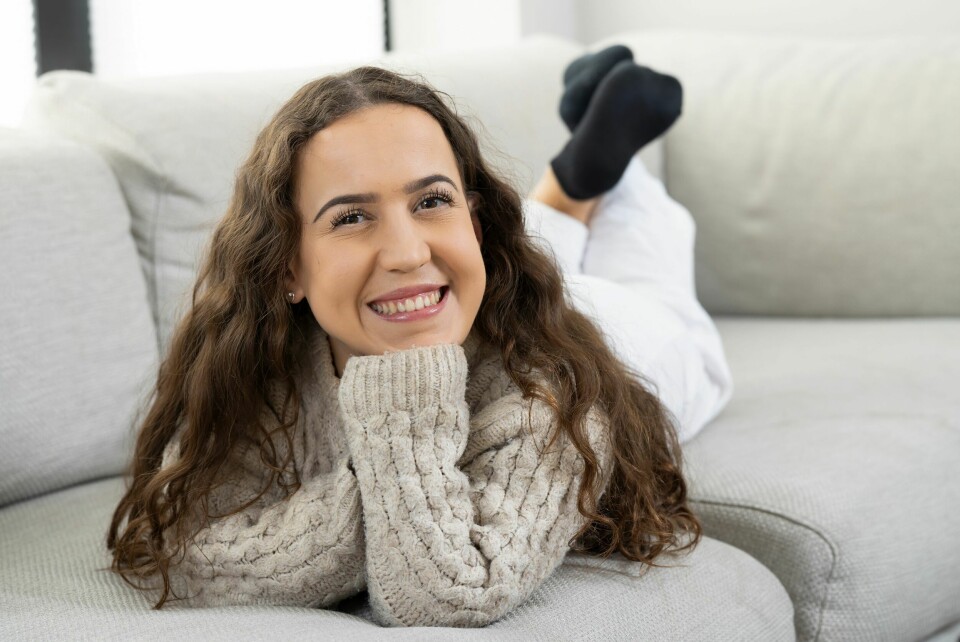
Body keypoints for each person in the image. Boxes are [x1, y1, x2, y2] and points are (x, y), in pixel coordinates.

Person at [105, 45, 734, 628]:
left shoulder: (558, 396)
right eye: (351, 217)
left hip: (630, 335)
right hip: (460, 295)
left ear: (478, 226)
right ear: (287, 267)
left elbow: (448, 591)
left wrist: (394, 434)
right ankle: (576, 175)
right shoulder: (259, 365)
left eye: (432, 201)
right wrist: (390, 502)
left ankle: (595, 174)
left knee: (665, 295)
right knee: (458, 267)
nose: (404, 251)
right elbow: (178, 549)